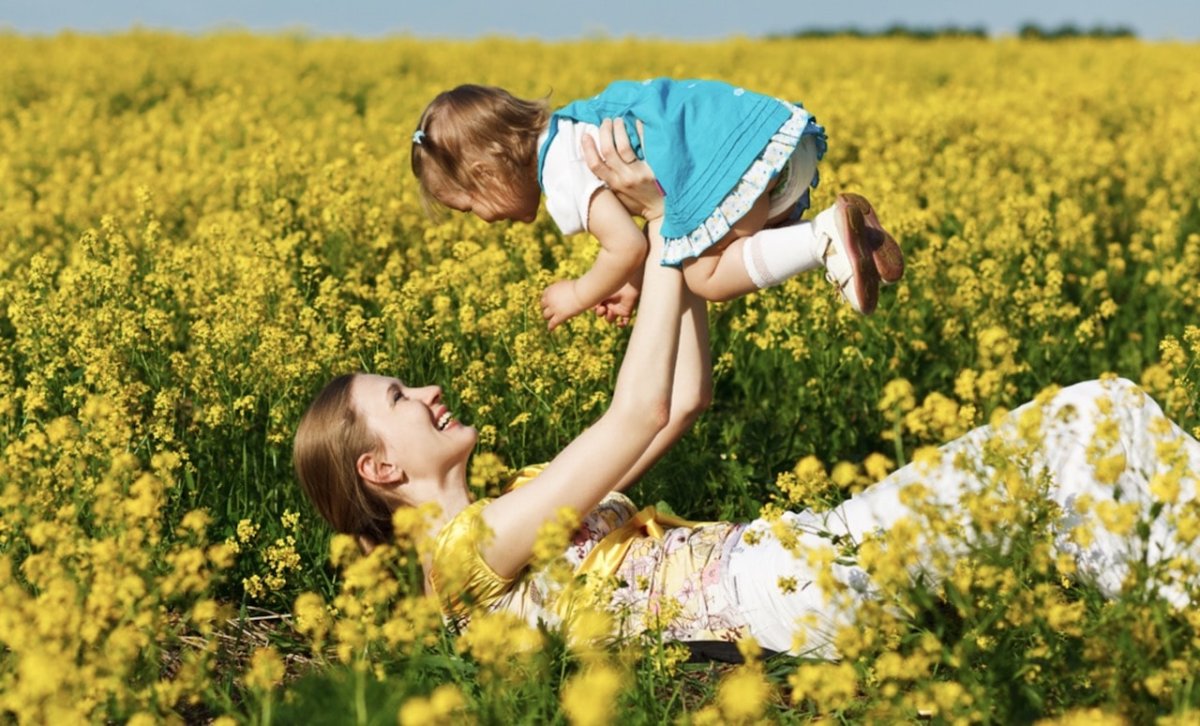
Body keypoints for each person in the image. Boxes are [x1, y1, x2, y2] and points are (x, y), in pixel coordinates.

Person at [296, 130, 1200, 659]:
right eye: (400, 397)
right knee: (1095, 418)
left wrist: (675, 259)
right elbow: (635, 413)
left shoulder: (515, 500)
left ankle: (1167, 622)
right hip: (776, 591)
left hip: (793, 564)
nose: (429, 390)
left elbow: (681, 399)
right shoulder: (463, 557)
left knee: (1090, 466)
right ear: (379, 467)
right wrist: (666, 225)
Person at [409, 79, 904, 329]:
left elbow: (626, 245)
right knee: (731, 246)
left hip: (732, 159)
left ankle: (823, 236)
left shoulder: (562, 168)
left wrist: (578, 294)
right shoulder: (573, 126)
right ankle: (861, 237)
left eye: (469, 206)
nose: (482, 219)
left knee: (706, 276)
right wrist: (632, 287)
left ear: (487, 173)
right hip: (762, 140)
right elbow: (643, 238)